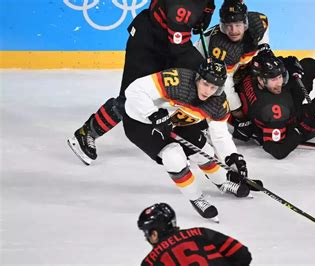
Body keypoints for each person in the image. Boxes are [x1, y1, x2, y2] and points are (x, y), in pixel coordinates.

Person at [67, 0, 216, 165]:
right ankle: (86, 133)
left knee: (186, 86)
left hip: (166, 42)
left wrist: (207, 10)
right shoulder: (182, 5)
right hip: (147, 44)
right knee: (131, 99)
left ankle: (196, 132)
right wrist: (204, 67)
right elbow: (180, 48)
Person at [123, 58, 250, 221]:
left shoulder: (217, 103)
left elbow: (220, 134)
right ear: (197, 78)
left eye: (213, 87)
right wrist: (152, 114)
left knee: (205, 152)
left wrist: (232, 157)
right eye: (205, 83)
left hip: (176, 121)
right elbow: (134, 90)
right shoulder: (178, 81)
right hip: (141, 122)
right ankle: (196, 198)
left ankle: (221, 182)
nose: (208, 91)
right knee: (174, 158)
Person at [194, 0, 269, 118]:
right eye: (228, 26)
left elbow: (263, 32)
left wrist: (264, 49)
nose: (233, 31)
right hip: (205, 72)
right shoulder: (220, 47)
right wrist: (236, 109)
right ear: (222, 25)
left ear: (246, 22)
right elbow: (224, 81)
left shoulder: (257, 22)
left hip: (236, 69)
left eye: (238, 25)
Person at [137, 202, 252, 266]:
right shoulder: (200, 232)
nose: (145, 237)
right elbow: (242, 254)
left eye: (146, 233)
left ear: (154, 234)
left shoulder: (149, 262)